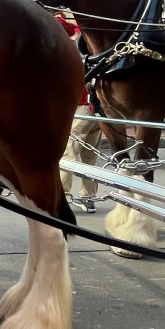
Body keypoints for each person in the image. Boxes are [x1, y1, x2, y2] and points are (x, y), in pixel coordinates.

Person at [56, 11, 102, 212]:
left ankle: (63, 196)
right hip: (96, 107)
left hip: (81, 105)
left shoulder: (66, 48)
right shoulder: (92, 42)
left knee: (68, 151)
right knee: (90, 154)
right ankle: (88, 197)